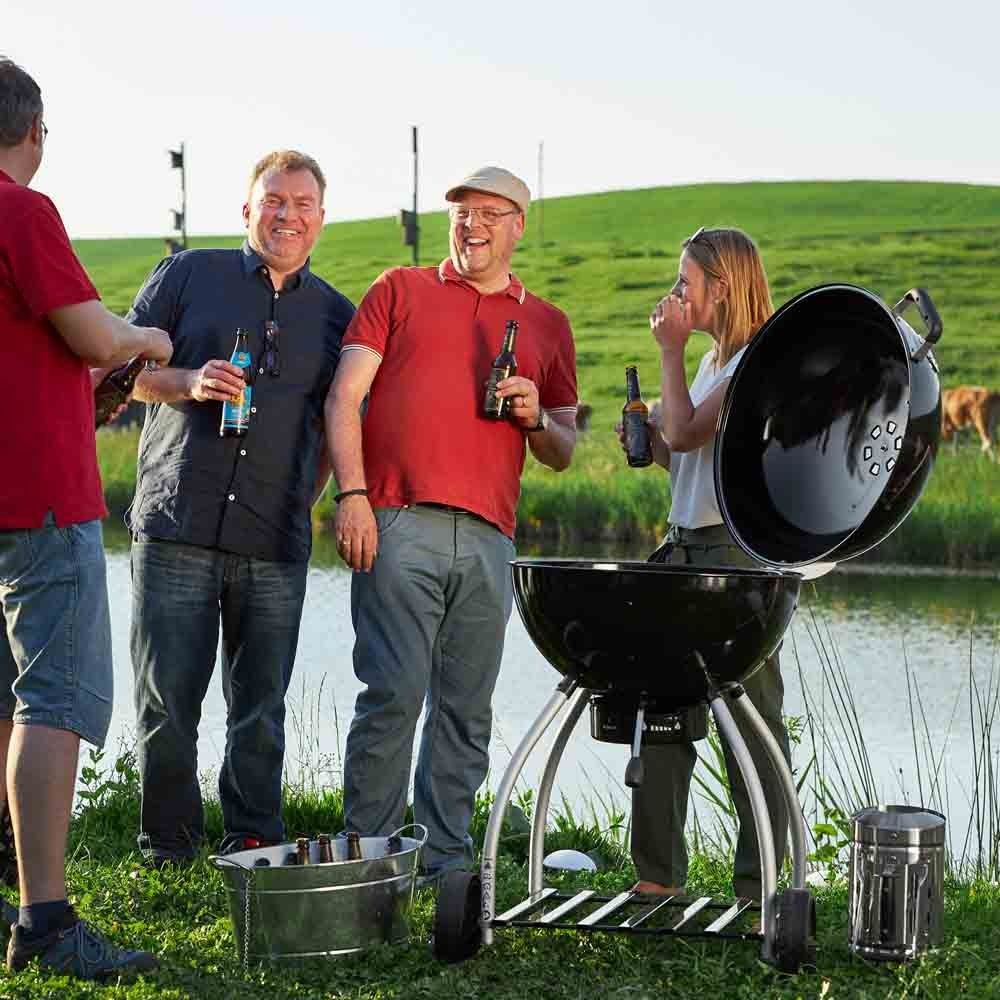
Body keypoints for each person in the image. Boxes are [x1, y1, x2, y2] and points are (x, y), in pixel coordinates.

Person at [326, 166, 579, 877]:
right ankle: (369, 865)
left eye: (491, 214)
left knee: (466, 710)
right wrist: (352, 496)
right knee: (393, 697)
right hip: (398, 520)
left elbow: (562, 449)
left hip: (491, 539)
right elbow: (344, 397)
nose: (474, 225)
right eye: (464, 212)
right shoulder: (399, 289)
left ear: (518, 226)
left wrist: (535, 418)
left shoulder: (547, 324)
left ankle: (445, 867)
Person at [126, 150, 354, 867]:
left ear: (321, 219)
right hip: (176, 524)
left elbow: (338, 420)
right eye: (274, 201)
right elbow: (129, 375)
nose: (288, 215)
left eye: (302, 204)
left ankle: (253, 840)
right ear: (248, 209)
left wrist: (307, 496)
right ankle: (168, 846)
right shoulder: (188, 274)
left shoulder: (336, 316)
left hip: (274, 536)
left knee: (261, 708)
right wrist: (189, 382)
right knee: (167, 702)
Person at [0, 57, 172, 978]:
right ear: (33, 131)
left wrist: (82, 385)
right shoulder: (23, 211)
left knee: (3, 698)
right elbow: (95, 334)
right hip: (39, 495)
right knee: (54, 700)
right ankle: (46, 921)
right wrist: (144, 338)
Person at [627, 226, 790, 904]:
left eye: (684, 282)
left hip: (734, 556)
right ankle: (658, 876)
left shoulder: (754, 361)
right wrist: (654, 445)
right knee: (663, 705)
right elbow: (689, 457)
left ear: (719, 288)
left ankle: (761, 884)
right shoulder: (712, 360)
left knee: (749, 720)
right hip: (687, 545)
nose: (674, 294)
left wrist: (667, 352)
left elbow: (689, 428)